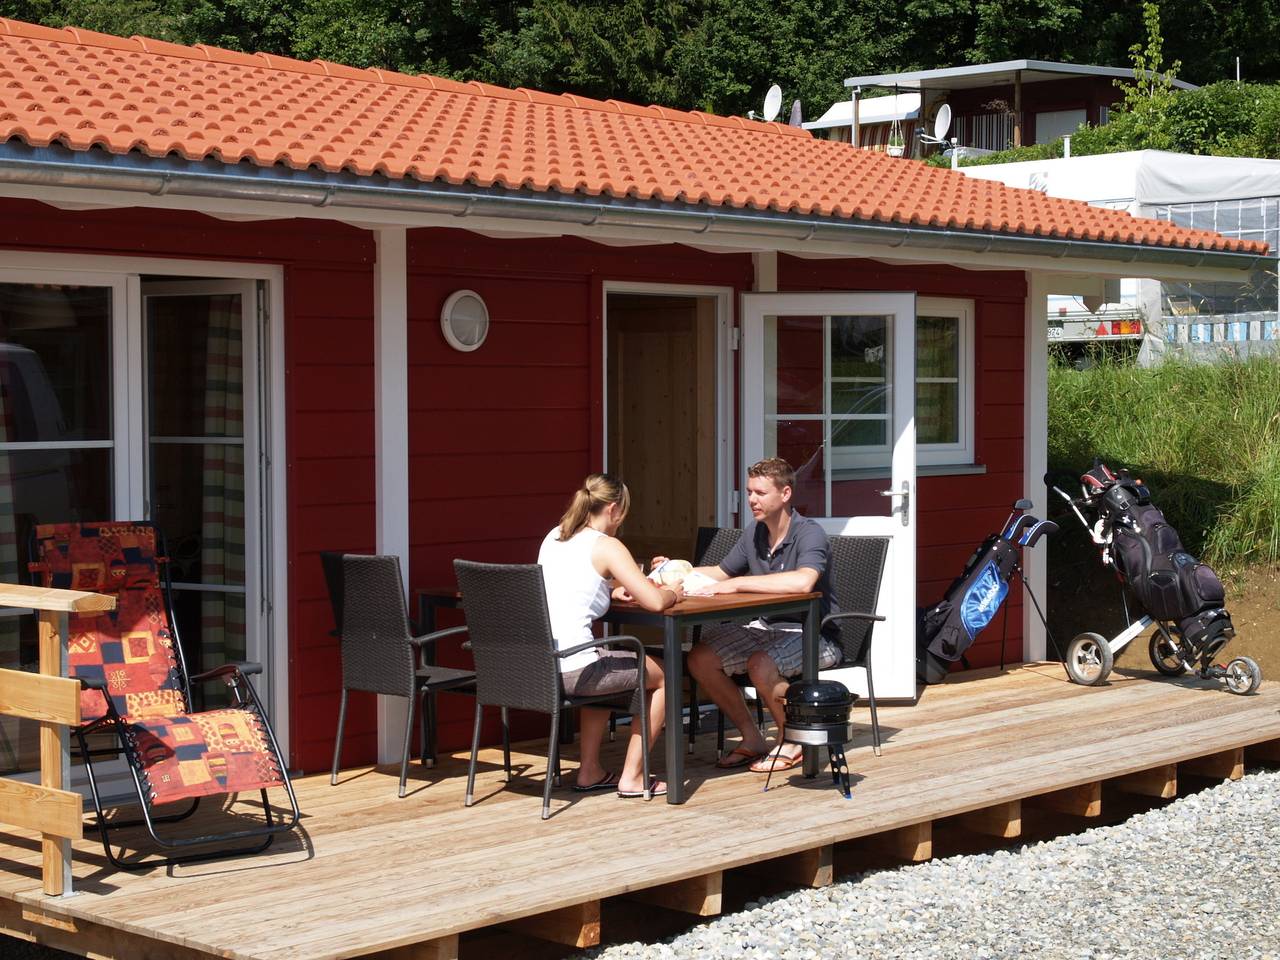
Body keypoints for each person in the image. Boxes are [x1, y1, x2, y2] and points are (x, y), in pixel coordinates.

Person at [672, 457, 842, 773]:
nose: (752, 499)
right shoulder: (755, 532)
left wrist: (738, 584)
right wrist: (675, 571)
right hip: (764, 628)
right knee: (700, 658)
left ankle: (793, 740)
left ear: (786, 494)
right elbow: (721, 572)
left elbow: (803, 581)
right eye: (750, 491)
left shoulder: (809, 533)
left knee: (760, 664)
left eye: (760, 493)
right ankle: (752, 738)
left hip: (813, 634)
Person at [538, 473, 683, 798]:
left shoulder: (555, 536)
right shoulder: (607, 546)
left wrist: (609, 590)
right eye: (623, 514)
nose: (621, 522)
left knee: (605, 659)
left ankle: (590, 770)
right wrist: (674, 591)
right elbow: (655, 601)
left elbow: (570, 585)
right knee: (666, 674)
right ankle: (632, 777)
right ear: (613, 509)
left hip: (545, 666)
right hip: (578, 671)